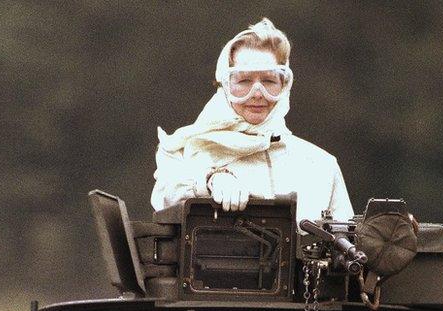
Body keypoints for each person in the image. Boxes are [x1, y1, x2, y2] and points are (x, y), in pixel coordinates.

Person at [150, 18, 354, 222]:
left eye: (269, 81)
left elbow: (349, 244)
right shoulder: (181, 150)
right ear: (225, 85)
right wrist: (210, 179)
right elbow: (165, 196)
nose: (257, 94)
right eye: (244, 81)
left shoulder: (322, 166)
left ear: (284, 85)